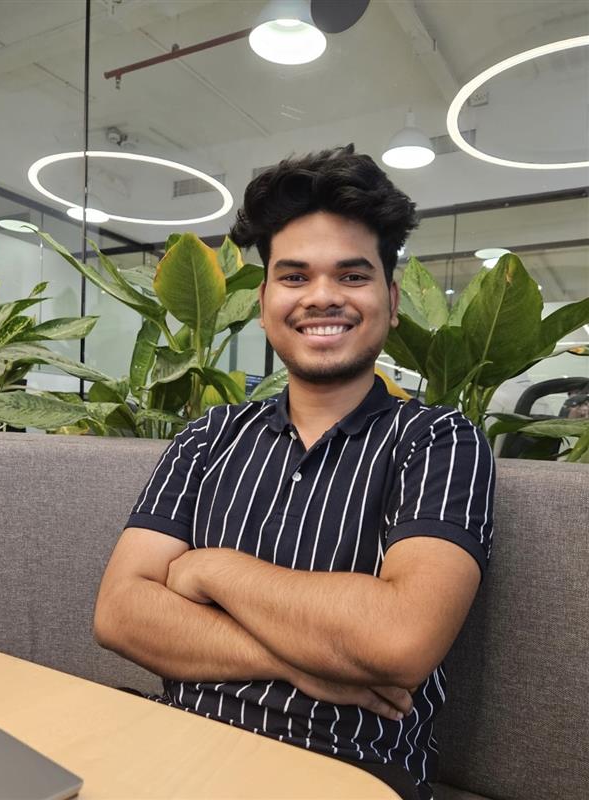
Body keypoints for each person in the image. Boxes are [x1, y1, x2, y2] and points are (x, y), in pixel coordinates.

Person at [94, 145, 495, 800]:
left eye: (352, 275)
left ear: (392, 300)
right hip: (174, 746)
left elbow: (400, 639)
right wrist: (308, 662)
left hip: (349, 772)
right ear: (264, 302)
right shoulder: (209, 437)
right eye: (295, 276)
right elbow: (120, 613)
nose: (323, 296)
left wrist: (209, 569)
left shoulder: (438, 440)